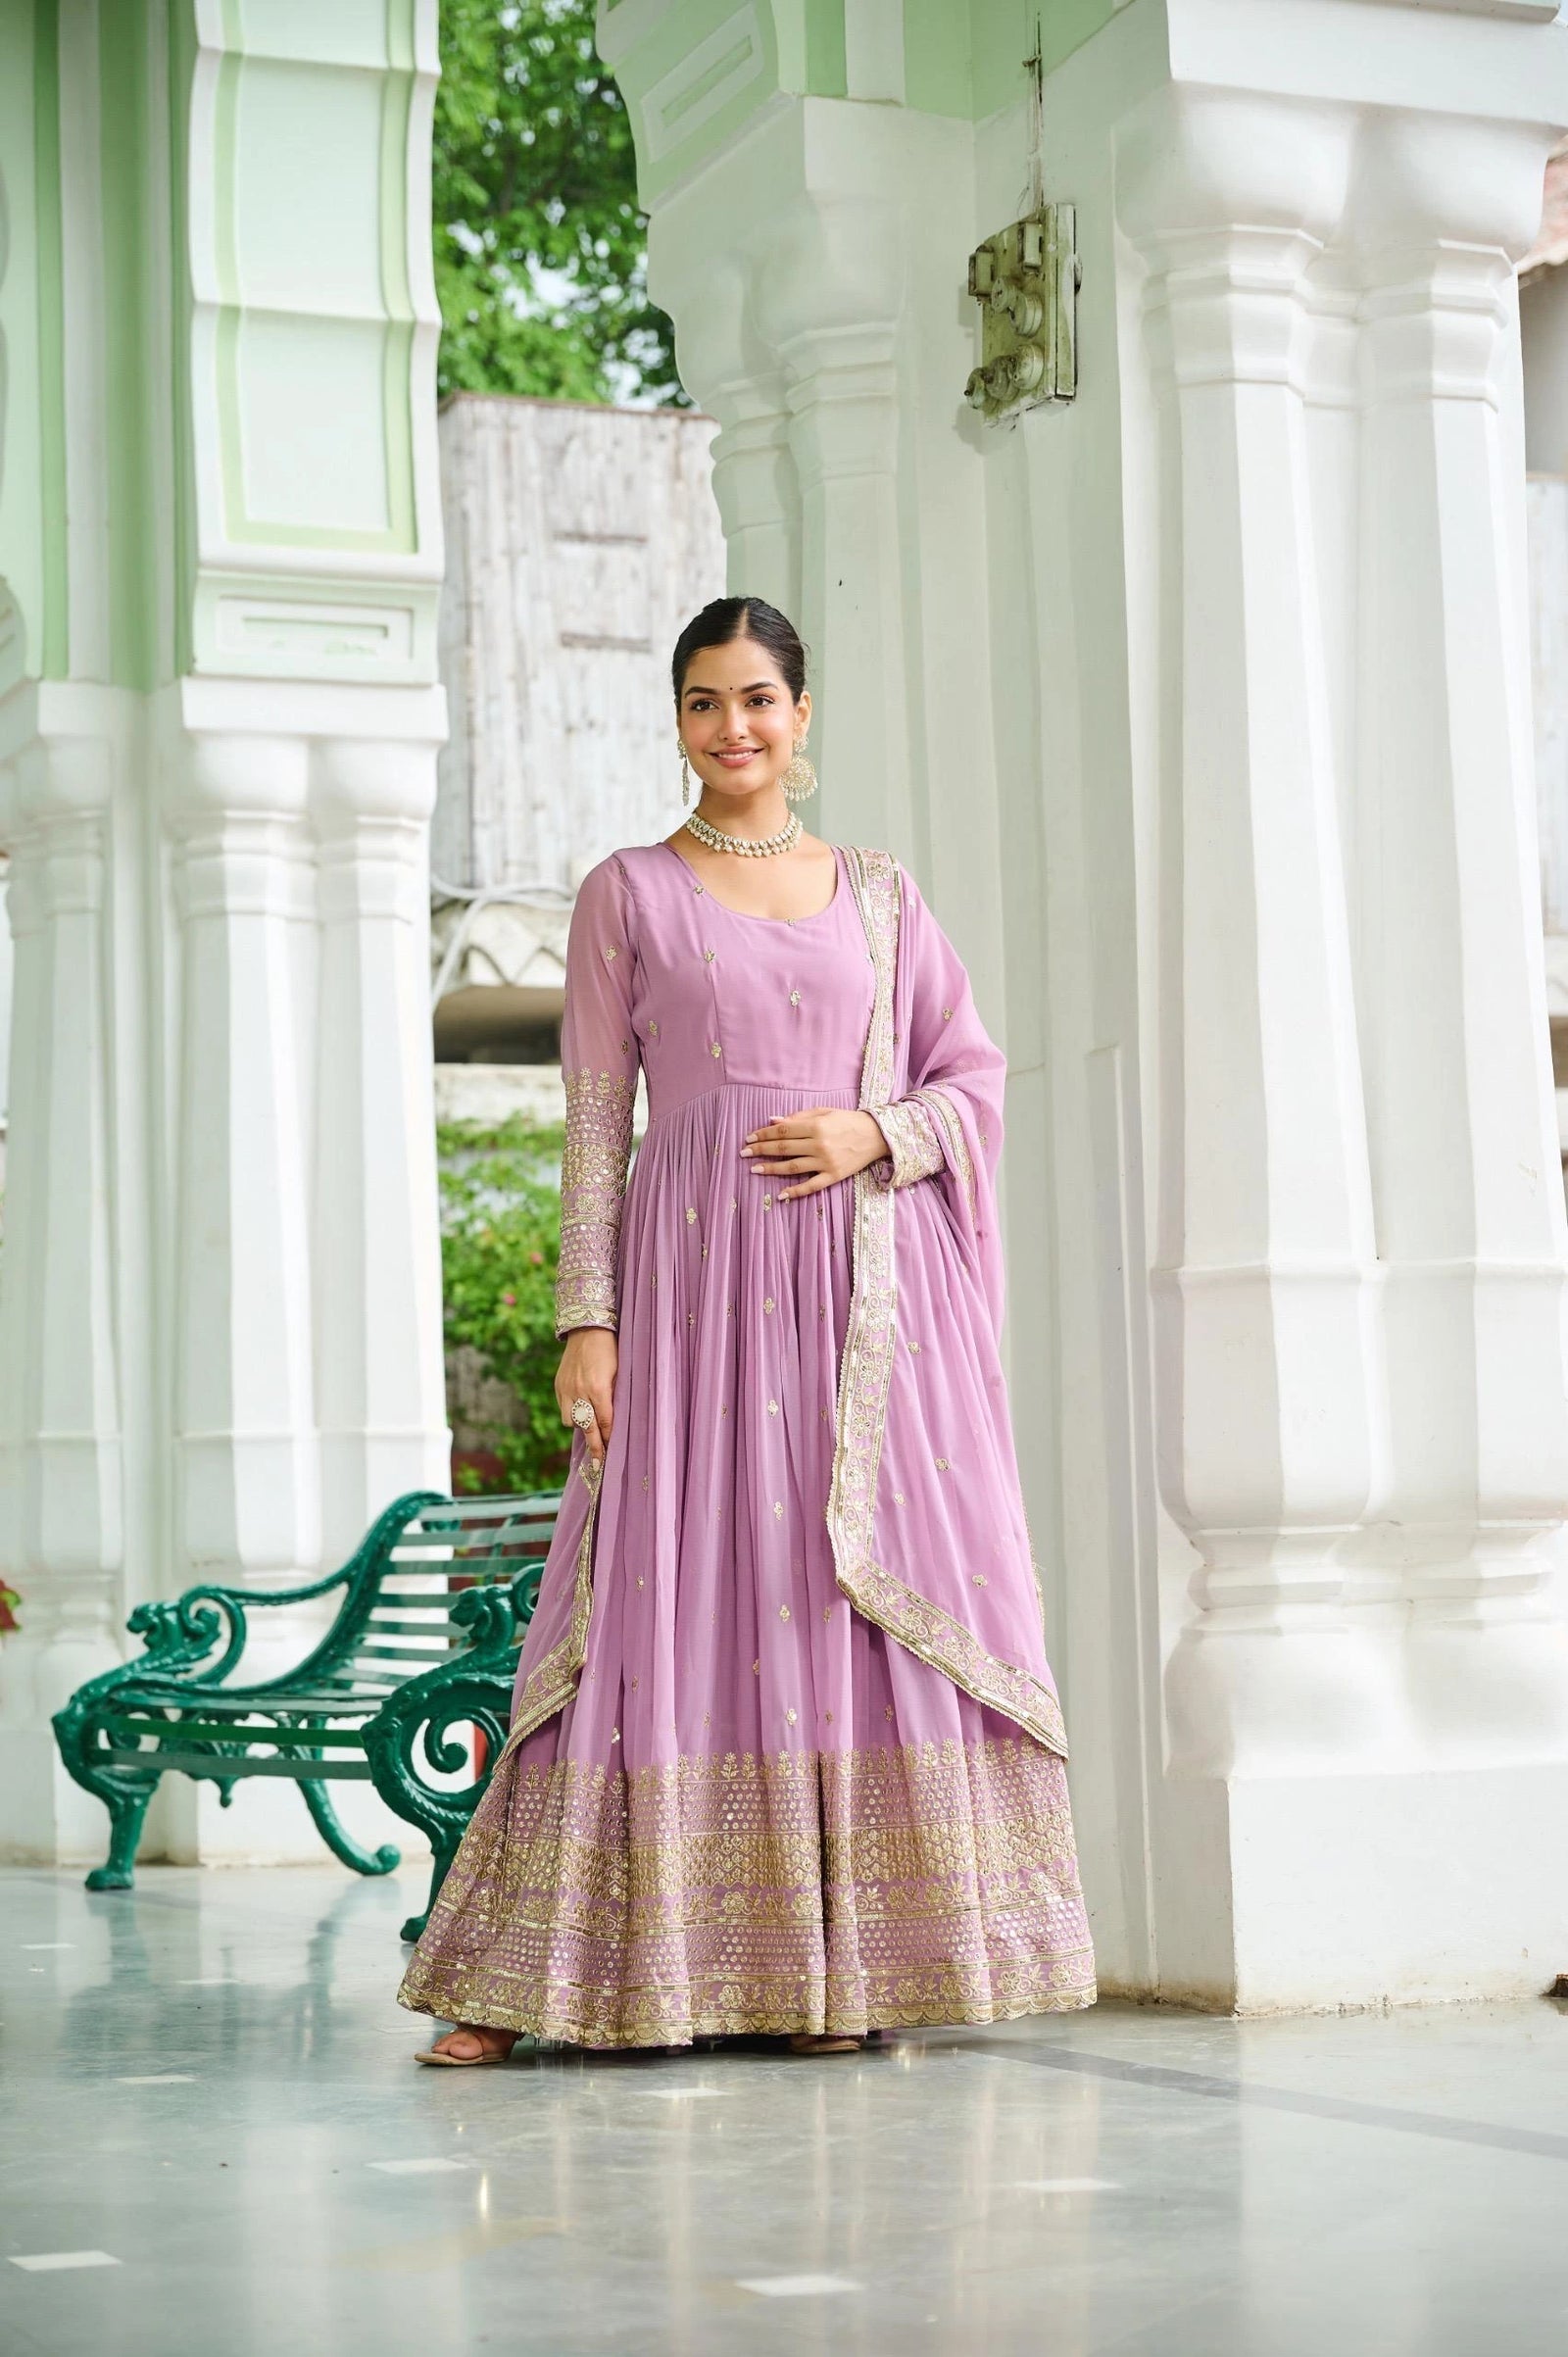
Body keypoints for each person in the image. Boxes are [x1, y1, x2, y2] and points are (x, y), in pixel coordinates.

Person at [399, 596, 1096, 2061]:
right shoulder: (628, 893)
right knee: (648, 1594)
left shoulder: (884, 896)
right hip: (694, 1300)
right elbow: (595, 1123)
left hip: (858, 1309)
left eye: (761, 699)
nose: (735, 728)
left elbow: (972, 1077)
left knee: (835, 1597)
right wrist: (587, 1321)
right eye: (707, 702)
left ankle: (833, 1972)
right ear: (677, 718)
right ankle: (533, 1979)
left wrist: (871, 1127)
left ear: (802, 714)